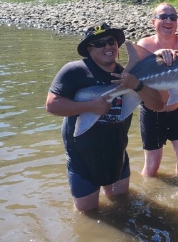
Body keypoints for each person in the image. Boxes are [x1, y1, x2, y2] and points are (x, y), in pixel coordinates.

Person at [46, 22, 165, 211]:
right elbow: (52, 106)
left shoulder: (128, 75)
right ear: (89, 49)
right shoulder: (74, 71)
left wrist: (138, 85)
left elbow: (158, 105)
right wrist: (90, 106)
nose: (108, 47)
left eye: (111, 41)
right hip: (82, 158)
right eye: (100, 43)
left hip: (116, 153)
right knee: (88, 215)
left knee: (121, 207)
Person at [136, 3, 178, 177]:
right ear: (153, 22)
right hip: (151, 111)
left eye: (173, 17)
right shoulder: (144, 45)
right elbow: (133, 78)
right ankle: (148, 198)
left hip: (177, 108)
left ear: (177, 23)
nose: (168, 20)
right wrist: (156, 56)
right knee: (152, 164)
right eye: (163, 17)